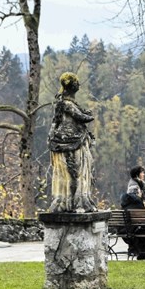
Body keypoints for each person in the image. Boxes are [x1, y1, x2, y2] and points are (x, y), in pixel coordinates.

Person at [47, 72, 97, 213]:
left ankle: (67, 200)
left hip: (63, 141)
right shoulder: (66, 104)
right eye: (77, 83)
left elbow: (56, 124)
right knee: (76, 172)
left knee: (69, 173)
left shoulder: (62, 103)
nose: (79, 85)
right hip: (72, 141)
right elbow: (80, 117)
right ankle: (76, 202)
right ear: (73, 86)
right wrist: (90, 115)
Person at [120, 166, 145, 260]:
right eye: (142, 172)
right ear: (137, 174)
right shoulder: (134, 186)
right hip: (135, 226)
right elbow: (138, 200)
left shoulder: (137, 185)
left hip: (131, 228)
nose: (144, 174)